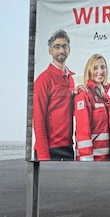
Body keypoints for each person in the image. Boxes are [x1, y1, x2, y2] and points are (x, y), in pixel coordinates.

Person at [33, 29, 76, 161]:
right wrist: (44, 155)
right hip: (50, 150)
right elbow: (38, 120)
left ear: (69, 49)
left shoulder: (71, 79)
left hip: (68, 148)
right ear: (50, 50)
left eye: (64, 46)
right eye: (57, 47)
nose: (61, 50)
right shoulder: (43, 80)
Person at [74, 54, 110, 161]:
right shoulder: (84, 95)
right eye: (95, 68)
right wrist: (86, 159)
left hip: (105, 158)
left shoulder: (105, 96)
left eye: (102, 67)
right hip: (90, 158)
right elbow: (82, 130)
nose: (100, 71)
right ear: (89, 71)